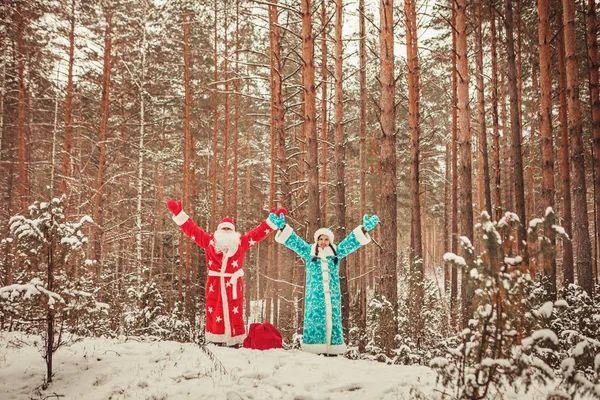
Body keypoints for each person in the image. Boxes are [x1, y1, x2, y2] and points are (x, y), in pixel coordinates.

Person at [166, 200, 286, 347]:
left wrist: (270, 223)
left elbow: (257, 234)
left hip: (234, 284)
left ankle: (235, 341)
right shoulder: (209, 242)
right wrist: (179, 214)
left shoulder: (241, 242)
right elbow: (192, 230)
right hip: (215, 284)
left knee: (234, 311)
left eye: (229, 229)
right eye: (224, 229)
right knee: (215, 311)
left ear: (234, 232)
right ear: (218, 231)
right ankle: (215, 339)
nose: (227, 232)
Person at [275, 214, 379, 355]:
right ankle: (314, 347)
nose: (323, 242)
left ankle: (333, 349)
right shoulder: (309, 252)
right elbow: (294, 241)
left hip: (333, 296)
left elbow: (351, 241)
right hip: (314, 296)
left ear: (330, 241)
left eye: (326, 239)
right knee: (314, 319)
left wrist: (364, 229)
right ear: (316, 240)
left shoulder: (337, 253)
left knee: (333, 319)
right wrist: (282, 227)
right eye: (320, 239)